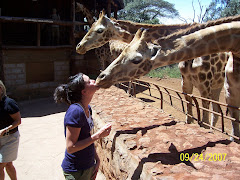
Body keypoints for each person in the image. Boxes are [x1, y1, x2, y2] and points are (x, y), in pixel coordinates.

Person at [54, 73, 111, 180]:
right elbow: (71, 147)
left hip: (88, 166)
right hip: (76, 171)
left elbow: (86, 137)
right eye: (89, 81)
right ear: (84, 92)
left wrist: (97, 160)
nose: (94, 80)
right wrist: (98, 135)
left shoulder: (87, 108)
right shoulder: (75, 112)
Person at [0, 80, 21, 180]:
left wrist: (5, 129)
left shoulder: (9, 103)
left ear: (0, 89)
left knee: (0, 165)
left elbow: (18, 121)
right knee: (8, 164)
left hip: (10, 139)